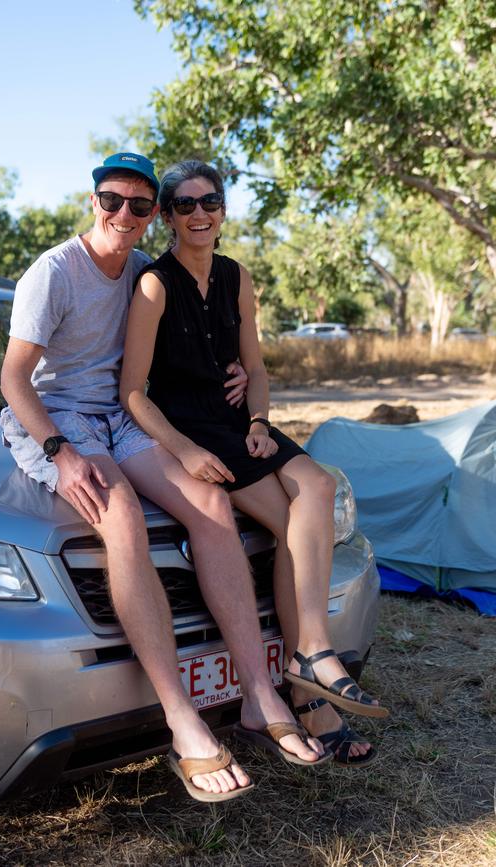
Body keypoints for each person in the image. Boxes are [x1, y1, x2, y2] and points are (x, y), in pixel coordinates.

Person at [0, 152, 328, 803]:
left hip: (119, 415)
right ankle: (183, 719)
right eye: (112, 199)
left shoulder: (146, 273)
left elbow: (185, 342)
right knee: (119, 516)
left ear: (155, 215)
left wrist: (234, 372)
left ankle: (261, 696)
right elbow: (13, 380)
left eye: (139, 205)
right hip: (58, 419)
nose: (124, 214)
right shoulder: (53, 272)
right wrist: (62, 453)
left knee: (209, 501)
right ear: (93, 199)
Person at [120, 159, 389, 768]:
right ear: (166, 216)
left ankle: (310, 654)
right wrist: (186, 451)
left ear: (223, 209)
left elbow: (257, 368)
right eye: (184, 204)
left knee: (317, 486)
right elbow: (132, 392)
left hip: (241, 424)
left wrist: (261, 423)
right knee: (285, 518)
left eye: (209, 201)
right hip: (193, 431)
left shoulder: (238, 278)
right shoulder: (154, 286)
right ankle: (310, 686)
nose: (199, 214)